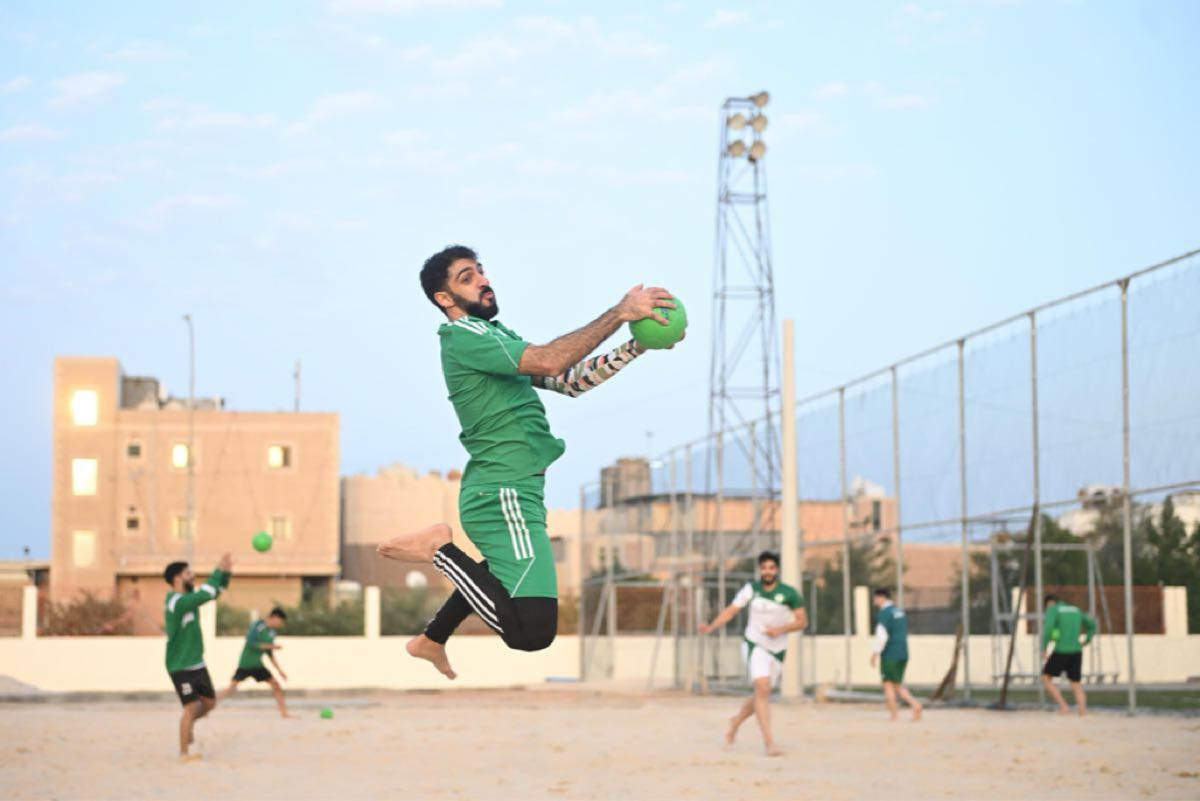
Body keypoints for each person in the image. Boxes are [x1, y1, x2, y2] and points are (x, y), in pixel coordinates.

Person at [377, 245, 678, 680]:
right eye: (466, 277)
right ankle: (437, 549)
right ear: (444, 298)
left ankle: (433, 637)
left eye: (481, 271)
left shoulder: (493, 336)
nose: (483, 280)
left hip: (516, 490)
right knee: (531, 633)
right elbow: (552, 359)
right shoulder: (465, 336)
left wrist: (637, 345)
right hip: (502, 491)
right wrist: (620, 313)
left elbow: (570, 380)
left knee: (500, 578)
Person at [698, 551, 807, 756]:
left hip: (777, 650)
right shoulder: (751, 590)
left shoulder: (790, 593)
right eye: (764, 568)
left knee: (761, 693)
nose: (767, 572)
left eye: (771, 568)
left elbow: (802, 622)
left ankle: (736, 721)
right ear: (759, 570)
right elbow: (731, 610)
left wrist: (780, 630)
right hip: (754, 645)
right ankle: (769, 743)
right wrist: (712, 626)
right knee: (762, 688)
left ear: (777, 570)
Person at [163, 553, 232, 760]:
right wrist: (218, 569)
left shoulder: (188, 598)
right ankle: (184, 753)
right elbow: (206, 593)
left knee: (209, 704)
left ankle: (188, 724)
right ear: (177, 578)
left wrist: (226, 573)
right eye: (188, 573)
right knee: (191, 706)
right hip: (180, 665)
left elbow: (214, 592)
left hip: (197, 663)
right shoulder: (175, 601)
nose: (192, 575)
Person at [218, 607, 291, 718]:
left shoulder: (272, 632)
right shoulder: (258, 625)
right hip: (246, 663)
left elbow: (269, 653)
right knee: (230, 688)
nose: (280, 624)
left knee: (275, 685)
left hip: (258, 665)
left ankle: (284, 713)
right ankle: (208, 705)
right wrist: (272, 646)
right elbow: (251, 643)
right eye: (280, 621)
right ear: (274, 617)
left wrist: (280, 671)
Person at [870, 587, 922, 722]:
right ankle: (915, 705)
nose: (874, 600)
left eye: (875, 598)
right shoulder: (899, 611)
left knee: (888, 684)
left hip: (890, 654)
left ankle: (895, 715)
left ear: (881, 597)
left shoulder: (884, 614)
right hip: (903, 652)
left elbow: (882, 636)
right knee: (897, 684)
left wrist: (875, 653)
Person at [1040, 593, 1096, 716]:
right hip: (1076, 650)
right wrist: (1087, 640)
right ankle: (1082, 712)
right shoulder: (1076, 609)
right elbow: (1092, 625)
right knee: (1076, 682)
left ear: (1049, 603)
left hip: (1061, 650)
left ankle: (1064, 706)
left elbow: (1048, 628)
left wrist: (1043, 648)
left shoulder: (1053, 609)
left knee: (1045, 678)